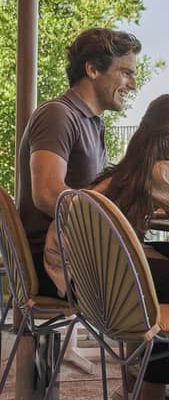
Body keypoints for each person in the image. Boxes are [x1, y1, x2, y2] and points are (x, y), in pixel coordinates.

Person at [45, 94, 169, 400]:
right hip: (88, 273)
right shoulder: (160, 170)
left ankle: (142, 376)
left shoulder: (136, 168)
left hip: (79, 268)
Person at [17, 27, 142, 296]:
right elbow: (48, 194)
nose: (132, 84)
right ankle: (142, 338)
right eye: (125, 73)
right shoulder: (57, 115)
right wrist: (111, 224)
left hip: (78, 251)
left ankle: (143, 338)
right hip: (54, 261)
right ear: (93, 69)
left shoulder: (92, 123)